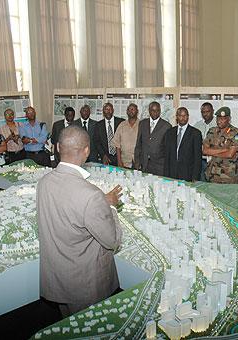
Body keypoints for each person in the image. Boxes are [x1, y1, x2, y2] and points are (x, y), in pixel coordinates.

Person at [37, 126, 123, 317]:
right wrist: (110, 207)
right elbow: (112, 240)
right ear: (87, 151)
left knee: (69, 327)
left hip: (58, 278)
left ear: (58, 147)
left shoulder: (44, 183)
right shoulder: (90, 195)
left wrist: (101, 200)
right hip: (85, 284)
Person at [203, 106, 238, 184]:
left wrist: (212, 151)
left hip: (228, 176)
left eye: (222, 119)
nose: (219, 121)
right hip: (211, 174)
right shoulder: (212, 131)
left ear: (229, 119)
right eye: (218, 118)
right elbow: (204, 150)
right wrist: (225, 149)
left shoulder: (237, 133)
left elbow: (230, 154)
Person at [164, 107, 202, 182]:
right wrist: (166, 174)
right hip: (172, 173)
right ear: (177, 117)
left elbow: (197, 158)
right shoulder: (170, 132)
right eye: (180, 115)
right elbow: (167, 155)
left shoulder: (195, 133)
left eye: (185, 116)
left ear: (188, 117)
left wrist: (195, 177)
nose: (183, 118)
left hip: (188, 173)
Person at [134, 101, 172, 176]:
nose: (155, 112)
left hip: (159, 166)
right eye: (153, 110)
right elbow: (138, 144)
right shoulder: (142, 123)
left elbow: (168, 149)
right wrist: (137, 162)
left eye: (157, 110)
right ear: (149, 111)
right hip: (144, 164)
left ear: (160, 111)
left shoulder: (167, 126)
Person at [194, 103, 217, 181]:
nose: (205, 114)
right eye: (203, 112)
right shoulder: (197, 125)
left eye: (208, 111)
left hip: (215, 161)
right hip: (201, 161)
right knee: (202, 185)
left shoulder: (218, 125)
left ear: (213, 111)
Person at [113, 103, 139, 169]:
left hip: (138, 163)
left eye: (133, 109)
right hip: (124, 163)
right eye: (129, 109)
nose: (131, 111)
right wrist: (119, 162)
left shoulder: (142, 125)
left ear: (137, 111)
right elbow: (117, 145)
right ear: (127, 112)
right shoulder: (121, 125)